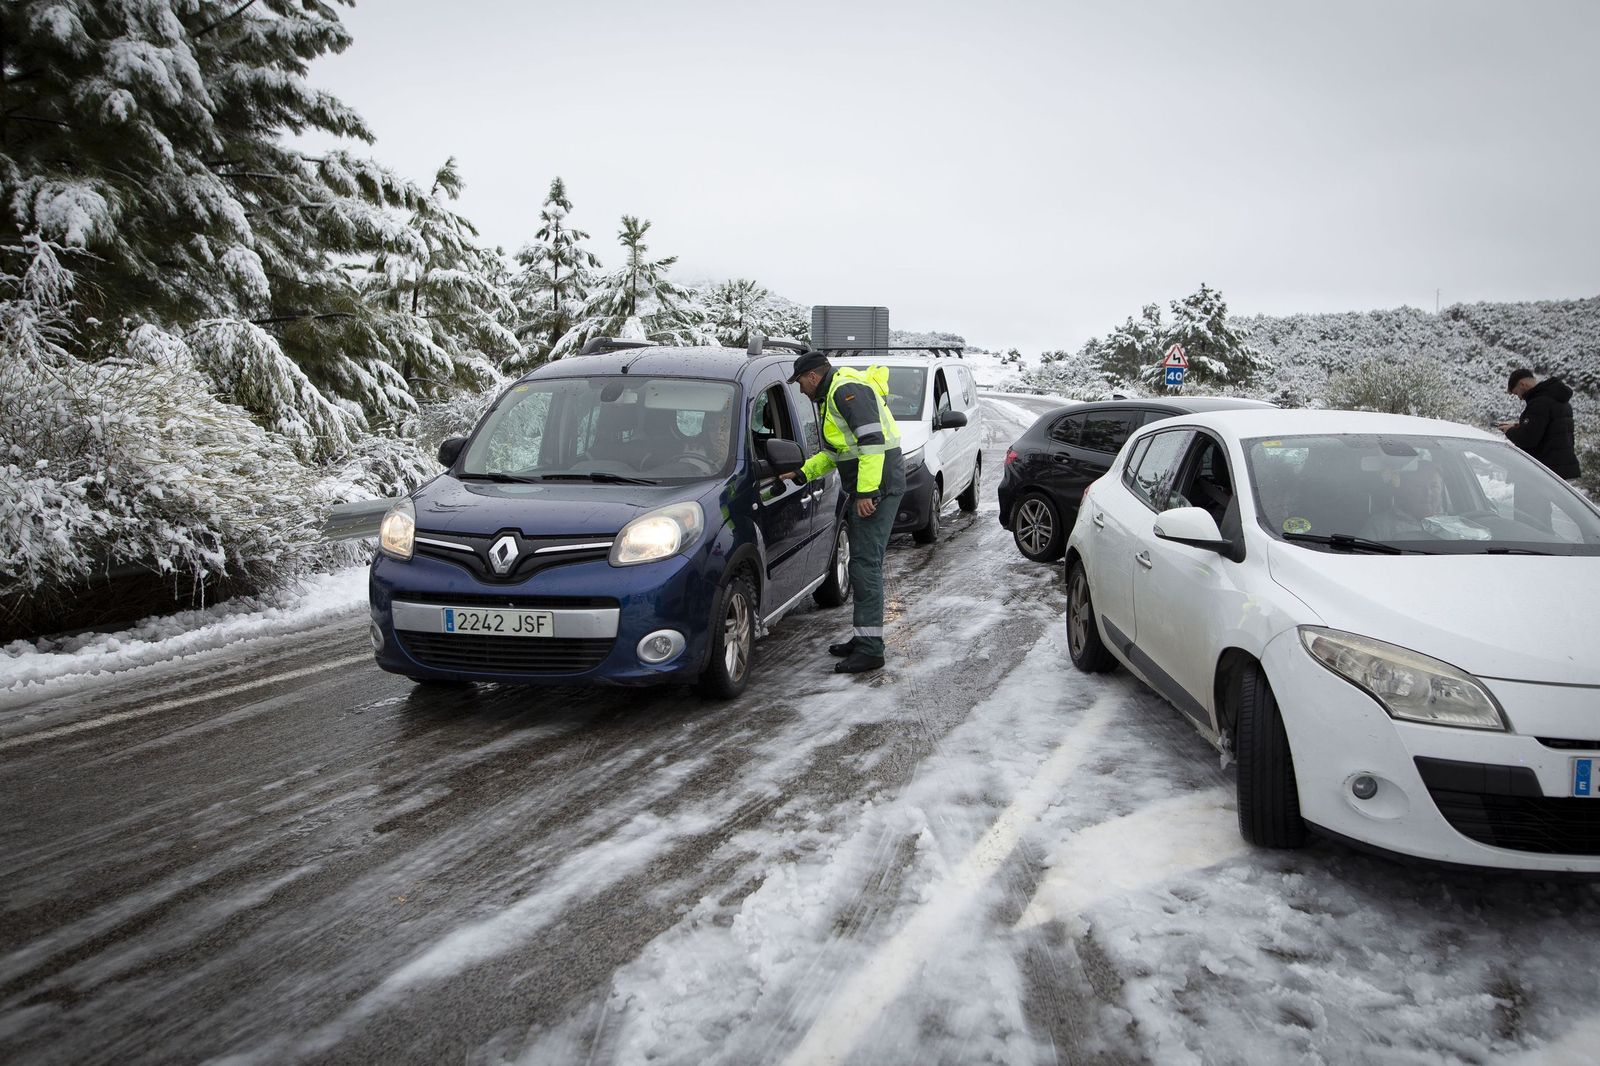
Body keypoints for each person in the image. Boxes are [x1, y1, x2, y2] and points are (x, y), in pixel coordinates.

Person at [781, 350, 906, 673]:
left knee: (865, 564)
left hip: (878, 485)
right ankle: (862, 635)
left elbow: (873, 444)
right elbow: (837, 453)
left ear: (812, 376)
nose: (800, 390)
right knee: (861, 562)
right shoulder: (833, 394)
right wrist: (802, 473)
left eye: (799, 383)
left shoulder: (844, 391)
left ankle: (870, 648)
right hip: (869, 483)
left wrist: (867, 492)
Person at [1498, 369, 1581, 483]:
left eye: (1517, 393)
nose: (1520, 397)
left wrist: (1509, 431)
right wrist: (1519, 426)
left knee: (1528, 501)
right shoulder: (1560, 400)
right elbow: (1549, 431)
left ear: (1523, 384)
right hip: (1562, 469)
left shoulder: (1539, 403)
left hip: (1541, 472)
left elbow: (1527, 439)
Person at [1361, 464, 1445, 541]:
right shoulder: (1379, 526)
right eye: (1418, 486)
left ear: (1441, 490)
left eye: (1434, 486)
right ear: (1405, 490)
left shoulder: (1454, 525)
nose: (1428, 493)